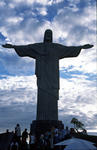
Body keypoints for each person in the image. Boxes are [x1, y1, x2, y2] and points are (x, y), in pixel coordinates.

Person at [2, 29, 94, 122]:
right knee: (42, 94)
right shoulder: (38, 47)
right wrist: (13, 46)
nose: (48, 36)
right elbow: (26, 48)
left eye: (50, 34)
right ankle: (41, 118)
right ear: (44, 35)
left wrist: (81, 47)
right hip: (42, 76)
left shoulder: (57, 48)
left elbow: (68, 49)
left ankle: (52, 118)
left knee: (52, 95)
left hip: (53, 77)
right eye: (47, 34)